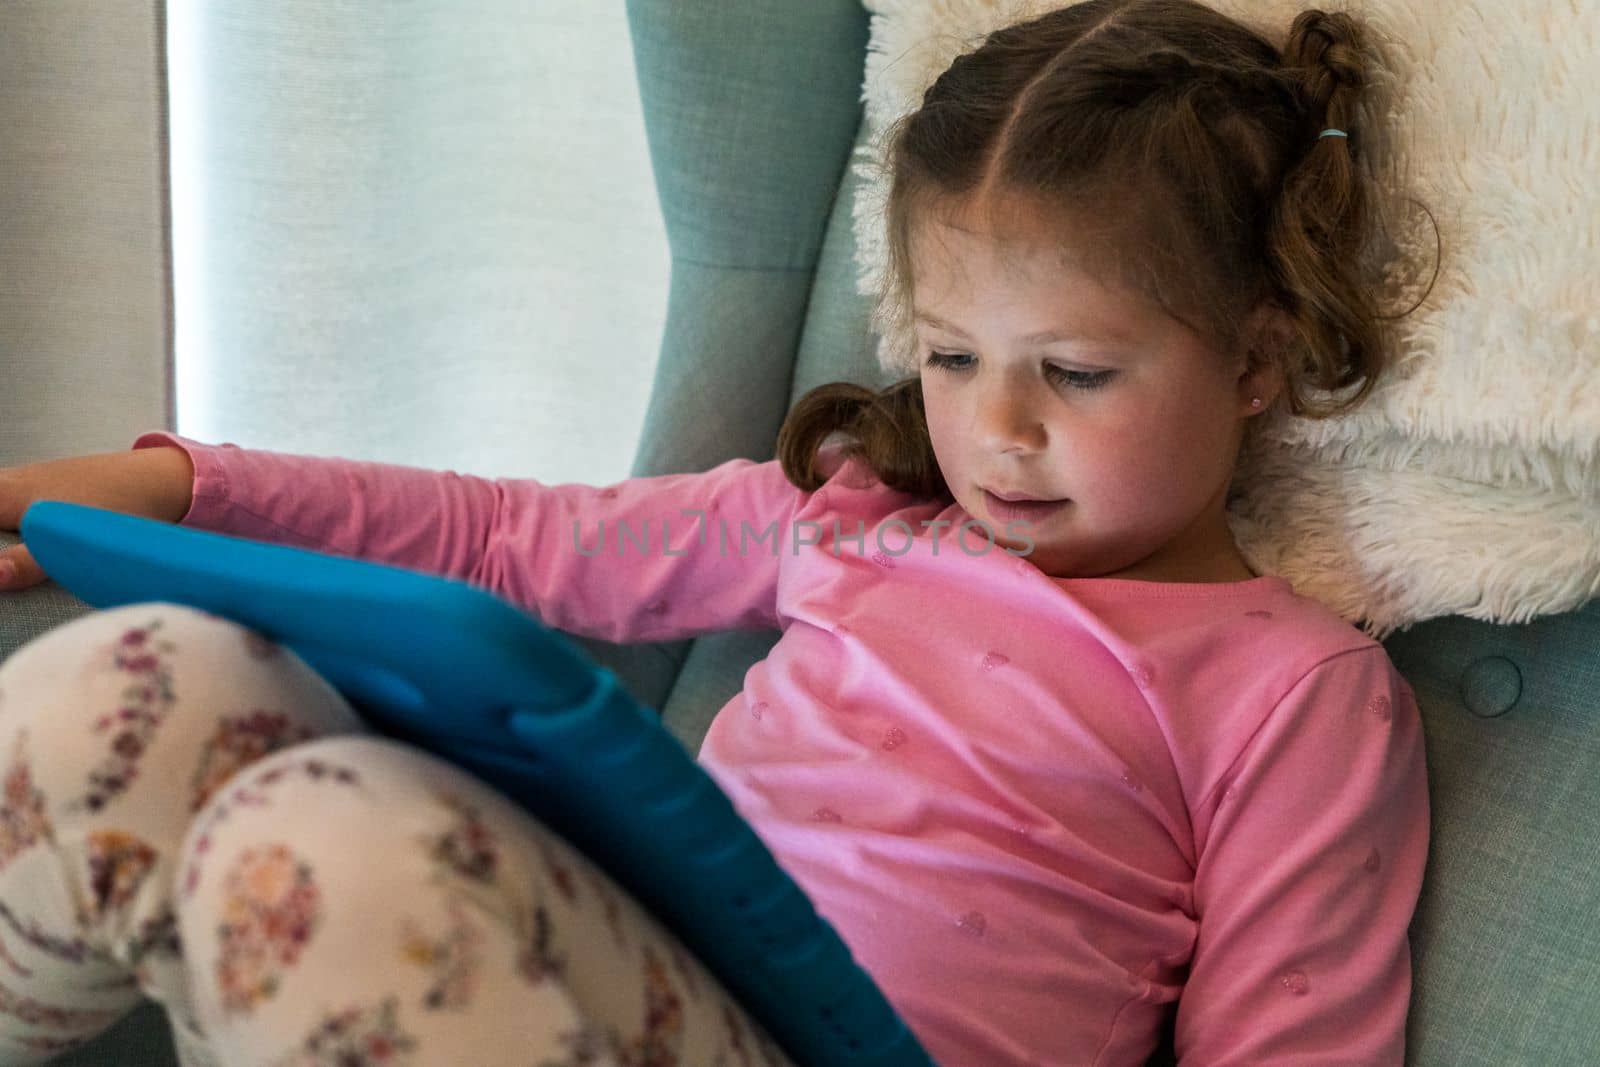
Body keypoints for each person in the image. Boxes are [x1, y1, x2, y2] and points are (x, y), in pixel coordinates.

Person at [0, 0, 1440, 1063]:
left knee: (323, 847)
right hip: (612, 979)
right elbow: (507, 545)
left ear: (1259, 360)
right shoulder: (854, 523)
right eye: (950, 358)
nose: (996, 430)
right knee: (145, 684)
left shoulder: (1290, 690)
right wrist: (191, 488)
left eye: (1075, 374)